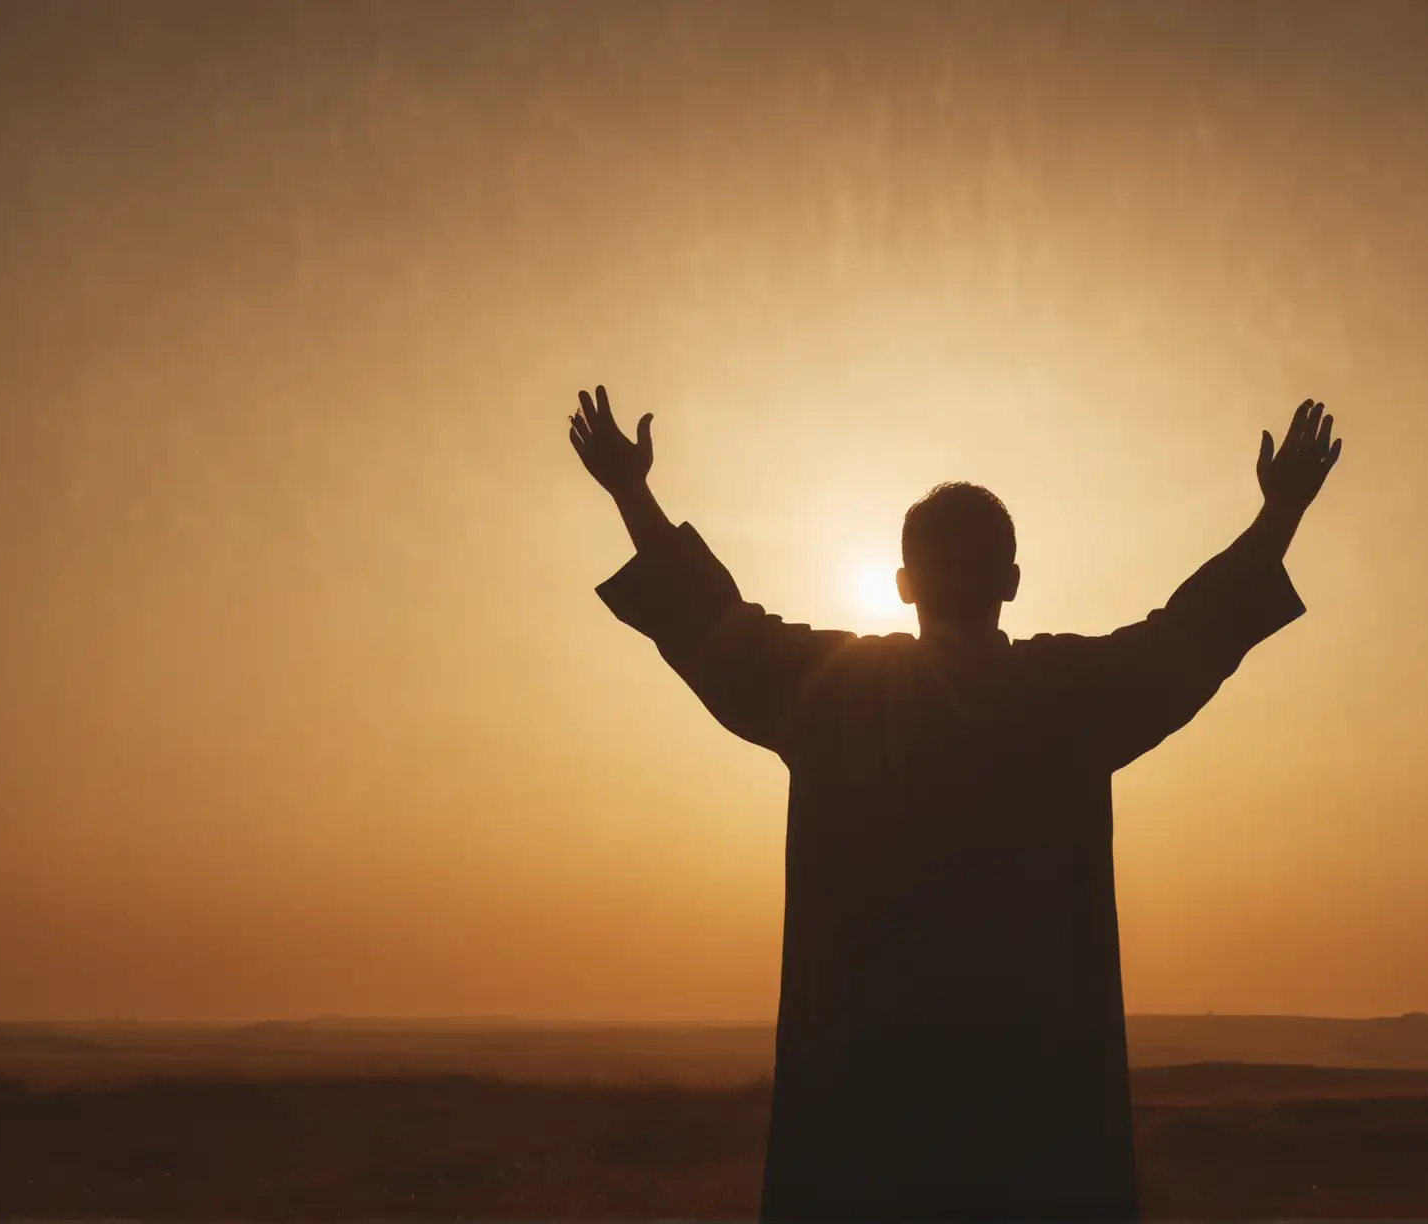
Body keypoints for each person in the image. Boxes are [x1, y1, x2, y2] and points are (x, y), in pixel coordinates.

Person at [569, 386, 1342, 1221]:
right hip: (1038, 1130)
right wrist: (1281, 512)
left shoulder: (835, 697)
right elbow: (1194, 634)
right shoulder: (1069, 700)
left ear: (903, 584)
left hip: (863, 1127)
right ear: (1012, 579)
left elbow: (713, 626)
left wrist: (631, 492)